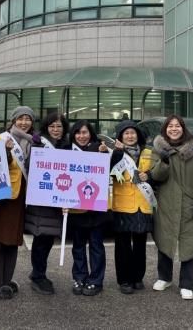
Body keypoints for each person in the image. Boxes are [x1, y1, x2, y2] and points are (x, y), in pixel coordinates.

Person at [150, 115, 193, 300]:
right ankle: (164, 277)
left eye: (177, 126)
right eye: (170, 126)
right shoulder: (157, 150)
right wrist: (164, 162)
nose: (174, 129)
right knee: (164, 239)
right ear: (165, 129)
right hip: (166, 203)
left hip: (189, 203)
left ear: (183, 129)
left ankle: (187, 283)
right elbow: (155, 176)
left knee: (190, 243)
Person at [0, 106, 34, 299]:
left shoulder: (31, 142)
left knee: (12, 240)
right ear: (13, 120)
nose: (24, 123)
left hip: (18, 199)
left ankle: (6, 279)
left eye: (28, 119)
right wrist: (6, 151)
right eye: (20, 118)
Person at [25, 112, 70, 295]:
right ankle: (38, 276)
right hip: (42, 200)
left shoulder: (67, 145)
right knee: (41, 238)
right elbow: (30, 168)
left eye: (59, 126)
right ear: (46, 128)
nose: (56, 130)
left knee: (48, 238)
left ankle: (38, 273)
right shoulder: (39, 144)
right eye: (52, 126)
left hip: (59, 200)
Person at [109, 120, 154, 295]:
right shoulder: (115, 152)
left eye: (133, 133)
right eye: (126, 133)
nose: (130, 136)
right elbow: (111, 172)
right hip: (123, 205)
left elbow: (157, 173)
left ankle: (138, 278)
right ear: (120, 137)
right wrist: (118, 152)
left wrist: (148, 175)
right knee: (123, 246)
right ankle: (124, 280)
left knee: (140, 244)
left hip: (143, 204)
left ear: (138, 135)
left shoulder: (149, 152)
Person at [67, 120, 109, 297]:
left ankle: (96, 281)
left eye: (85, 132)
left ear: (91, 133)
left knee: (96, 246)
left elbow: (114, 164)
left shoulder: (101, 149)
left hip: (96, 209)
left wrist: (105, 153)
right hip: (76, 210)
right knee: (78, 246)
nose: (81, 136)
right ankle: (79, 278)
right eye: (78, 132)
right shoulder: (67, 151)